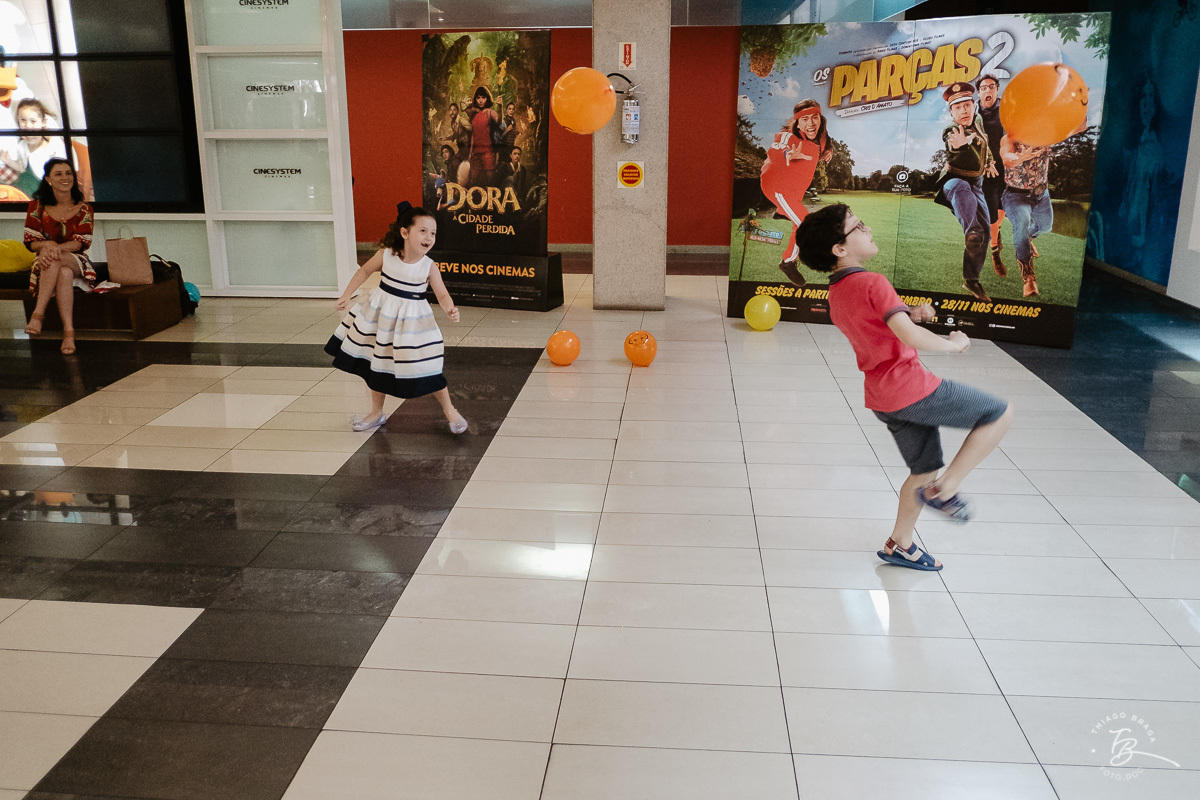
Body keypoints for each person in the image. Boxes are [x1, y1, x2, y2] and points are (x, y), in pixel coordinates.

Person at [792, 203, 1013, 571]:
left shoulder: (839, 291)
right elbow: (907, 335)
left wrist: (907, 309)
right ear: (840, 249)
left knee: (923, 469)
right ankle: (947, 489)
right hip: (912, 388)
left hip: (884, 397)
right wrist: (953, 345)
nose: (867, 228)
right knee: (999, 413)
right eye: (858, 226)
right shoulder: (874, 282)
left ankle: (901, 544)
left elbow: (873, 319)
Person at [326, 201, 468, 434]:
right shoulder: (387, 255)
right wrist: (346, 294)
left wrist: (450, 308)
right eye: (422, 230)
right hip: (380, 319)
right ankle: (376, 413)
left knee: (428, 365)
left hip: (412, 324)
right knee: (376, 365)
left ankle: (450, 411)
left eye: (433, 233)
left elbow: (442, 294)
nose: (429, 237)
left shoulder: (428, 266)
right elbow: (364, 270)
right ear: (404, 232)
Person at [1000, 117, 1087, 297]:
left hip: (1041, 195)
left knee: (1046, 227)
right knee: (1022, 223)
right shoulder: (1010, 137)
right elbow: (1006, 157)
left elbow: (1081, 126)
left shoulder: (1047, 134)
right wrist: (1019, 157)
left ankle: (1028, 237)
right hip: (1015, 195)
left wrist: (1081, 98)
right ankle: (1029, 279)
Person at [933, 82, 998, 303]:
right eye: (958, 107)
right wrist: (962, 143)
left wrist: (989, 161)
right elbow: (954, 144)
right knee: (959, 190)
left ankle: (971, 280)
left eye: (967, 105)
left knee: (985, 235)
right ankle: (971, 232)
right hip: (954, 180)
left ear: (974, 106)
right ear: (951, 112)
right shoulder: (951, 131)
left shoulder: (978, 121)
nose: (964, 111)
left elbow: (985, 143)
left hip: (977, 184)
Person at [22, 157, 94, 356]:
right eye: (59, 174)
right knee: (62, 273)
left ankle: (38, 314)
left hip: (75, 259)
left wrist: (54, 249)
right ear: (48, 179)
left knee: (54, 259)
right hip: (48, 261)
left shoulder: (84, 208)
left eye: (69, 173)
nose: (65, 178)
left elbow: (81, 243)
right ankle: (69, 333)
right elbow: (30, 242)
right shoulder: (36, 207)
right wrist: (48, 244)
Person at [760, 99, 833, 286]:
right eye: (805, 119)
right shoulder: (788, 136)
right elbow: (776, 148)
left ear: (820, 118)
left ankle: (781, 212)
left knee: (797, 215)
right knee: (805, 224)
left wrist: (829, 150)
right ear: (797, 123)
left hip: (794, 190)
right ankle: (788, 262)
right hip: (777, 187)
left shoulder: (820, 135)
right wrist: (787, 154)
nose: (811, 124)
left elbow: (825, 139)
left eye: (815, 117)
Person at [0, 99, 71, 198]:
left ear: (42, 123)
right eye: (23, 120)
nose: (28, 126)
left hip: (42, 193)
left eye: (33, 121)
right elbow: (22, 168)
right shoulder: (22, 146)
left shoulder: (51, 149)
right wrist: (8, 161)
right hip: (21, 188)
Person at [977, 74, 1007, 277]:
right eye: (983, 87)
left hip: (1006, 167)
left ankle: (996, 237)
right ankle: (995, 252)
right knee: (992, 218)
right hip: (985, 172)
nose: (988, 90)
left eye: (991, 87)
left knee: (1002, 211)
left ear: (997, 90)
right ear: (979, 92)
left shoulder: (1006, 108)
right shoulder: (971, 112)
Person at [465, 86, 501, 187]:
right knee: (473, 182)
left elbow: (499, 122)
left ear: (487, 98)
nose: (481, 100)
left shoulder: (490, 112)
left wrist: (500, 107)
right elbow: (473, 134)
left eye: (483, 97)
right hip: (476, 153)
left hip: (488, 152)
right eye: (478, 97)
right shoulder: (474, 114)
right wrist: (470, 152)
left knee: (490, 183)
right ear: (475, 99)